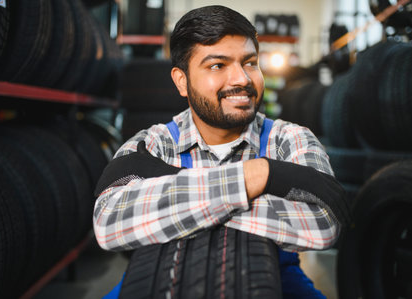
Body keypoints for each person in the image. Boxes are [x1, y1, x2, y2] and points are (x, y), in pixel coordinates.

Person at [93, 5, 351, 298]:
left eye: (250, 62)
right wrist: (257, 176)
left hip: (276, 281)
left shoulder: (290, 139)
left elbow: (322, 224)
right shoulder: (152, 143)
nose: (241, 78)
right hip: (157, 277)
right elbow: (110, 223)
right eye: (218, 65)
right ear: (182, 81)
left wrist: (175, 200)